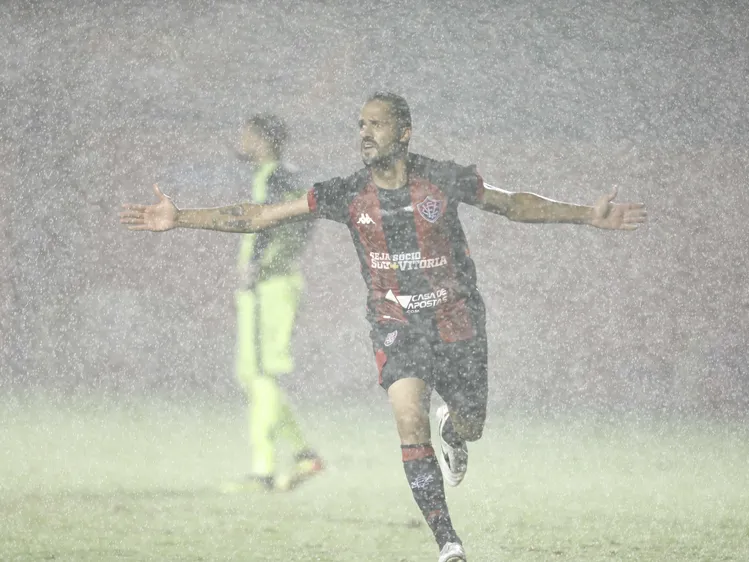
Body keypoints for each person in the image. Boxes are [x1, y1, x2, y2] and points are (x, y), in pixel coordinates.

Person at [120, 92, 647, 562]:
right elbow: (259, 215)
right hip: (397, 325)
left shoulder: (442, 178)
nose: (364, 133)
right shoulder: (345, 193)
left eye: (376, 124)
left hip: (457, 321)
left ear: (404, 131)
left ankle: (455, 429)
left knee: (471, 422)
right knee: (407, 418)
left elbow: (512, 205)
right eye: (359, 125)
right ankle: (448, 543)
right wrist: (181, 216)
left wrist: (585, 214)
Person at [226, 114, 323, 492]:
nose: (242, 141)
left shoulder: (275, 176)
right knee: (253, 376)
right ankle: (303, 455)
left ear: (264, 140)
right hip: (270, 285)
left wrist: (256, 264)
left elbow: (267, 223)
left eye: (247, 135)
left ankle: (262, 470)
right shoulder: (284, 177)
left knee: (262, 374)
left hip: (270, 285)